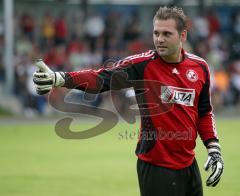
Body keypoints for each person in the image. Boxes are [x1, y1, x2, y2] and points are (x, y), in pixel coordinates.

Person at [33, 6, 224, 196]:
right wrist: (61, 78)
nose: (159, 39)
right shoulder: (142, 65)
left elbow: (204, 112)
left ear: (183, 36)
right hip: (156, 168)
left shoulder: (200, 67)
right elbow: (101, 79)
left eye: (167, 33)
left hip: (190, 166)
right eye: (156, 33)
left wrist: (213, 148)